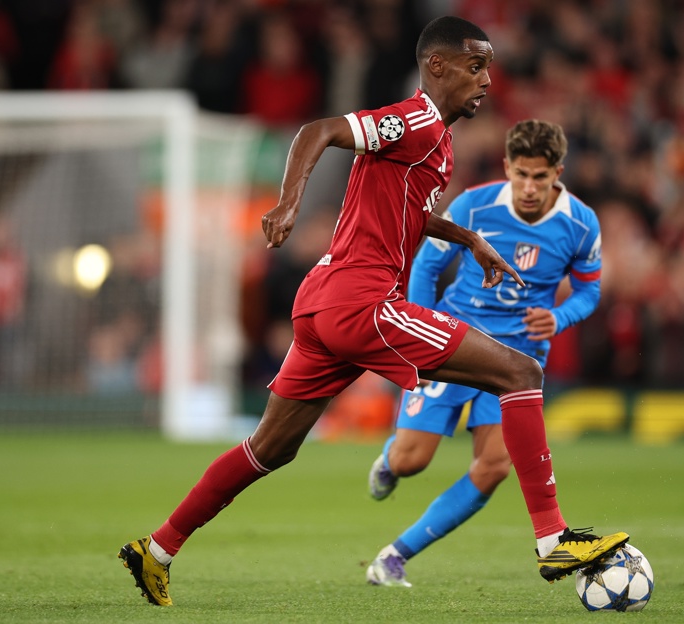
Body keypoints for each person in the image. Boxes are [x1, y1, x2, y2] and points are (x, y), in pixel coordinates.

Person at [118, 16, 628, 607]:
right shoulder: (413, 120)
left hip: (322, 303)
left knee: (269, 448)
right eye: (475, 66)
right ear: (437, 66)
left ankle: (157, 550)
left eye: (488, 67)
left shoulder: (437, 141)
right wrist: (288, 204)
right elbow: (317, 130)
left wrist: (468, 239)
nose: (487, 80)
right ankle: (553, 540)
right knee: (521, 372)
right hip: (361, 302)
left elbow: (405, 212)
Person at [365, 119, 606, 587]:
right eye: (521, 174)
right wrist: (420, 337)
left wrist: (560, 318)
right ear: (507, 167)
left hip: (517, 358)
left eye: (540, 177)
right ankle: (391, 459)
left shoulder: (581, 223)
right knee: (412, 461)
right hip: (454, 341)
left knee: (494, 466)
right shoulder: (473, 206)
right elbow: (426, 266)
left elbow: (589, 291)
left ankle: (395, 556)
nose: (529, 187)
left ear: (557, 172)